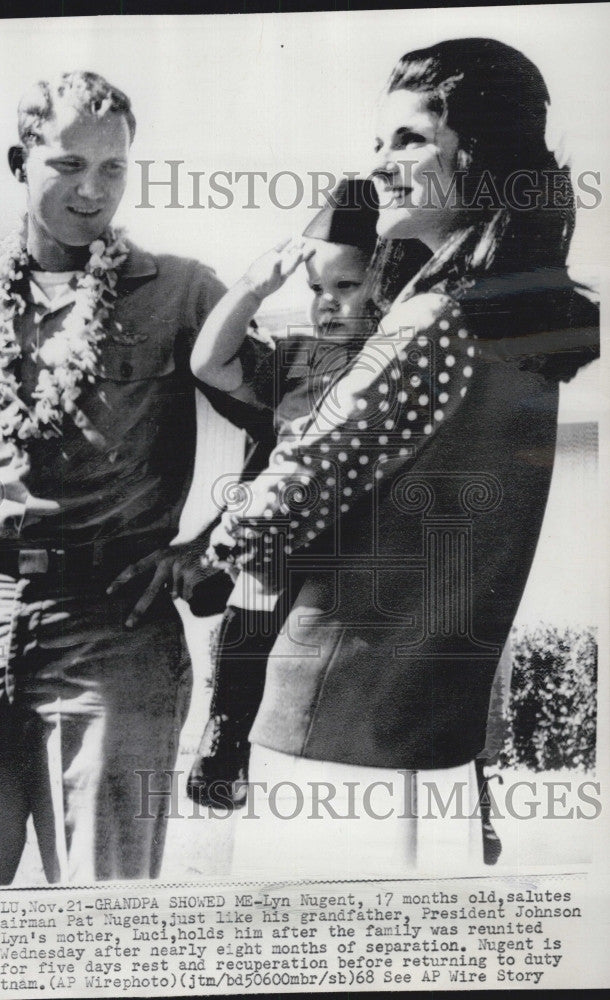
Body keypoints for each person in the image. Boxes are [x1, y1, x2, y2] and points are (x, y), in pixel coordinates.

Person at [202, 38, 599, 876]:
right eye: (380, 141)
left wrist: (205, 548)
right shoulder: (527, 325)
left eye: (408, 139)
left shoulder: (434, 321)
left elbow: (288, 498)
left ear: (478, 153)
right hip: (438, 723)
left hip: (332, 725)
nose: (378, 164)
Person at [0, 70, 253, 887]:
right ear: (20, 162)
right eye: (66, 165)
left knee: (103, 909)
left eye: (113, 167)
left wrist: (212, 548)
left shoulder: (185, 294)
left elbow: (292, 425)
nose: (93, 190)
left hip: (112, 630)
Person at [186, 178, 427, 809]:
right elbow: (207, 365)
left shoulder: (404, 359)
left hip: (364, 547)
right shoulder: (298, 362)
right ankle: (226, 734)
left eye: (346, 286)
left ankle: (220, 571)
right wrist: (252, 287)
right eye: (316, 288)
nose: (326, 303)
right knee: (256, 586)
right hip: (286, 539)